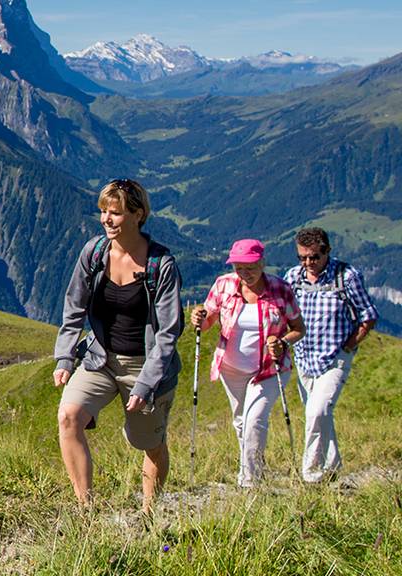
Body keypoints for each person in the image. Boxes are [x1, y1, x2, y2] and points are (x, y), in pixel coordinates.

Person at [53, 179, 184, 512]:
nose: (106, 220)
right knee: (68, 417)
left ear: (138, 215)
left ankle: (149, 512)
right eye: (102, 212)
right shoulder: (95, 253)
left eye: (115, 213)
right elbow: (74, 306)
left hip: (145, 366)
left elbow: (168, 333)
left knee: (149, 444)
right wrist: (65, 357)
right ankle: (86, 509)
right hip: (100, 358)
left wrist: (147, 382)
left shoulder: (161, 266)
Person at [191, 239, 305, 488]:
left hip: (269, 368)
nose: (245, 273)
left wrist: (282, 342)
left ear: (262, 263)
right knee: (242, 422)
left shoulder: (280, 289)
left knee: (255, 420)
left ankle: (249, 482)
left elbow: (299, 329)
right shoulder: (223, 285)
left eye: (250, 267)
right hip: (231, 368)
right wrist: (199, 318)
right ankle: (256, 469)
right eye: (239, 268)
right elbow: (209, 320)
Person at [284, 227, 378, 483]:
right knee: (319, 413)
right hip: (304, 358)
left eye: (314, 257)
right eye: (302, 257)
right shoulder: (293, 277)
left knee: (317, 411)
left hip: (335, 357)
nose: (308, 263)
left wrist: (351, 344)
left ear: (327, 251)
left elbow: (368, 315)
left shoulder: (346, 276)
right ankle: (333, 465)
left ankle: (311, 475)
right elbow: (285, 312)